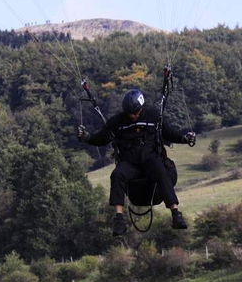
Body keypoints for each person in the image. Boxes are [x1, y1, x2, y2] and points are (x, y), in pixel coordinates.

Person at [77, 88, 196, 236]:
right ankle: (119, 219)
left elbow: (169, 133)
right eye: (130, 114)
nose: (133, 116)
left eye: (135, 113)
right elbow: (101, 138)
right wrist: (87, 137)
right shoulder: (117, 122)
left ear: (141, 108)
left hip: (150, 160)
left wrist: (185, 138)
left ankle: (176, 214)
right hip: (130, 163)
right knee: (117, 175)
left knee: (161, 171)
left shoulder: (153, 116)